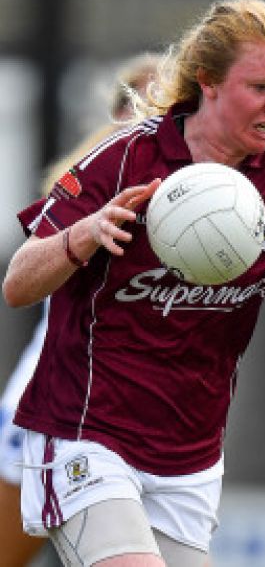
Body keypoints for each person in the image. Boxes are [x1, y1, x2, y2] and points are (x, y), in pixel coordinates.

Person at [2, 0, 265, 567]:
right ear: (208, 81)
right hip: (85, 432)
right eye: (262, 86)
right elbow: (17, 284)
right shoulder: (125, 158)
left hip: (190, 456)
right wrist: (85, 233)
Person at [0, 52, 159, 567]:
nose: (153, 117)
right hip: (50, 412)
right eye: (138, 103)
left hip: (143, 424)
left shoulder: (207, 199)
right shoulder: (86, 189)